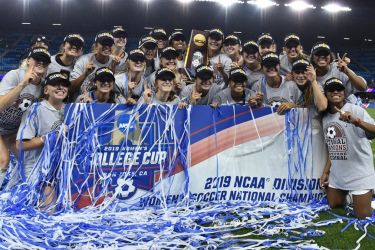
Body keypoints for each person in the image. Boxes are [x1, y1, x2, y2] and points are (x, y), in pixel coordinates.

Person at [12, 72, 69, 210]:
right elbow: (20, 145)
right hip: (36, 170)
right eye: (55, 84)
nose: (60, 87)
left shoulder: (72, 110)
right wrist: (51, 137)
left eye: (64, 85)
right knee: (50, 209)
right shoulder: (35, 109)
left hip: (62, 169)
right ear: (45, 90)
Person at [320, 77, 375, 219]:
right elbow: (332, 148)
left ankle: (367, 193)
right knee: (334, 204)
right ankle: (352, 197)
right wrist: (326, 172)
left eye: (339, 89)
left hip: (359, 172)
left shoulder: (355, 110)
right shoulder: (325, 118)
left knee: (362, 215)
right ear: (325, 93)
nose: (336, 92)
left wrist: (358, 122)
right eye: (331, 90)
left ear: (344, 92)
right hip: (339, 173)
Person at [0, 47, 51, 188]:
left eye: (45, 61)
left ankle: (8, 192)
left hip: (12, 130)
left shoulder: (43, 86)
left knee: (25, 160)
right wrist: (22, 84)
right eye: (37, 59)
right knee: (3, 160)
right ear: (28, 61)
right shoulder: (14, 75)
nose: (41, 63)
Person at [70, 31, 117, 99]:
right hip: (82, 102)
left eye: (109, 44)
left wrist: (114, 68)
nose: (107, 47)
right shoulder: (83, 60)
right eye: (103, 43)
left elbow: (115, 90)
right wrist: (85, 74)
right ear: (96, 46)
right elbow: (71, 88)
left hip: (106, 103)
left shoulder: (116, 63)